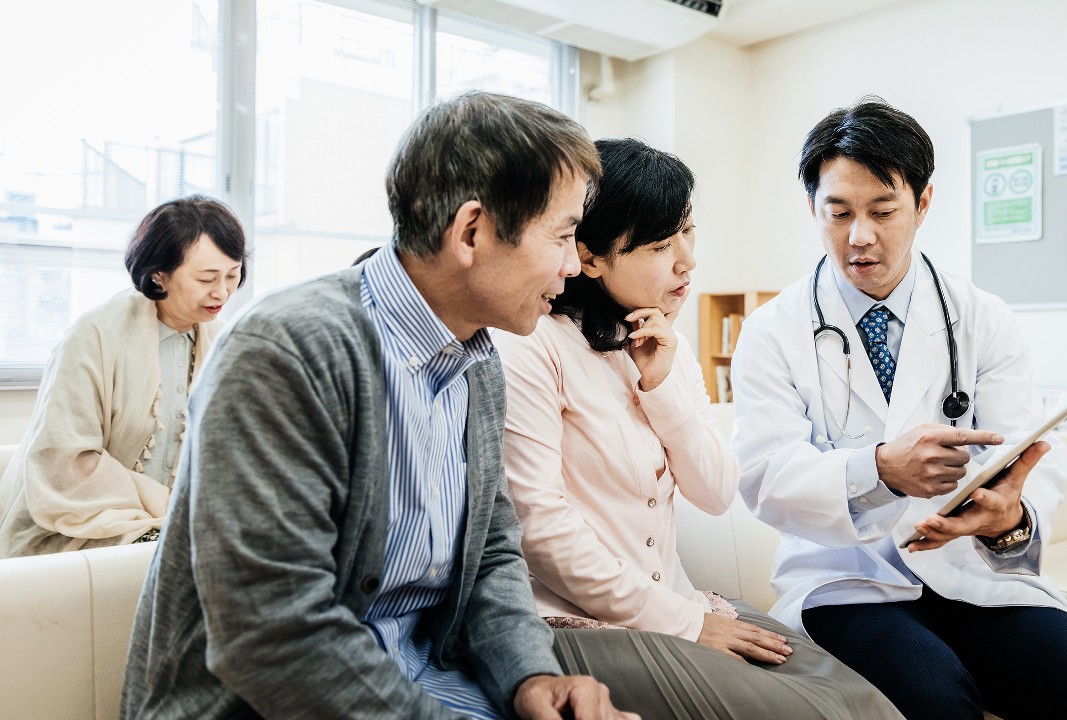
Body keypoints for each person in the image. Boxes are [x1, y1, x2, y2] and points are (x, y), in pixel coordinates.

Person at [121, 92, 636, 720]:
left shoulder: (478, 361)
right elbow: (274, 635)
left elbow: (492, 555)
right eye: (563, 236)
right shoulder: (288, 352)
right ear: (471, 231)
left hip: (422, 679)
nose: (571, 267)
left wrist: (532, 676)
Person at [729, 98, 1067, 720]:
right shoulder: (772, 331)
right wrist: (879, 470)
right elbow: (764, 478)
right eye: (837, 212)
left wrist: (1008, 518)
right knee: (937, 697)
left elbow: (1027, 456)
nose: (859, 236)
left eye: (883, 210)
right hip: (845, 578)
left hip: (969, 567)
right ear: (812, 207)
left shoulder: (982, 317)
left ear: (923, 204)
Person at [494, 137, 903, 720]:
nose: (687, 260)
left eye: (687, 232)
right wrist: (686, 623)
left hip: (676, 601)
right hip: (572, 623)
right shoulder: (533, 345)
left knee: (868, 703)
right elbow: (541, 529)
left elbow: (714, 494)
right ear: (588, 256)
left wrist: (661, 391)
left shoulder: (669, 347)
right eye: (661, 244)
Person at [0, 196, 246, 558]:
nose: (222, 292)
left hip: (175, 525)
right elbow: (66, 463)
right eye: (206, 278)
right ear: (158, 274)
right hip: (79, 527)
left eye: (232, 274)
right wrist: (167, 508)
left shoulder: (224, 343)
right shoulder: (93, 336)